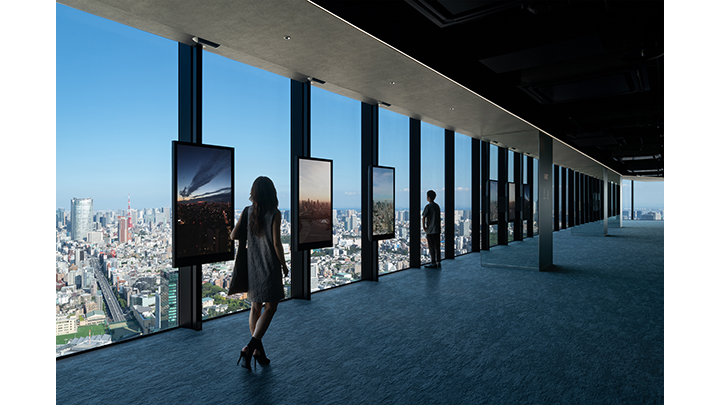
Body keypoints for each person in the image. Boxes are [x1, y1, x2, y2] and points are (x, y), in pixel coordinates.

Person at [231, 176, 289, 369]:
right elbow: (276, 244)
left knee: (255, 308)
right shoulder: (275, 213)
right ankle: (250, 347)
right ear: (271, 192)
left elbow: (233, 235)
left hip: (252, 266)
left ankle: (257, 352)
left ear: (253, 193)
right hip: (269, 266)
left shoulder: (247, 212)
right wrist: (284, 265)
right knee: (271, 308)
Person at [422, 190, 442, 269]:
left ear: (429, 197)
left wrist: (424, 227)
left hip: (430, 231)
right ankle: (438, 262)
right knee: (437, 247)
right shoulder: (437, 206)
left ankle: (433, 263)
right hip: (437, 230)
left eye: (427, 196)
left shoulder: (428, 206)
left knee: (431, 247)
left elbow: (423, 217)